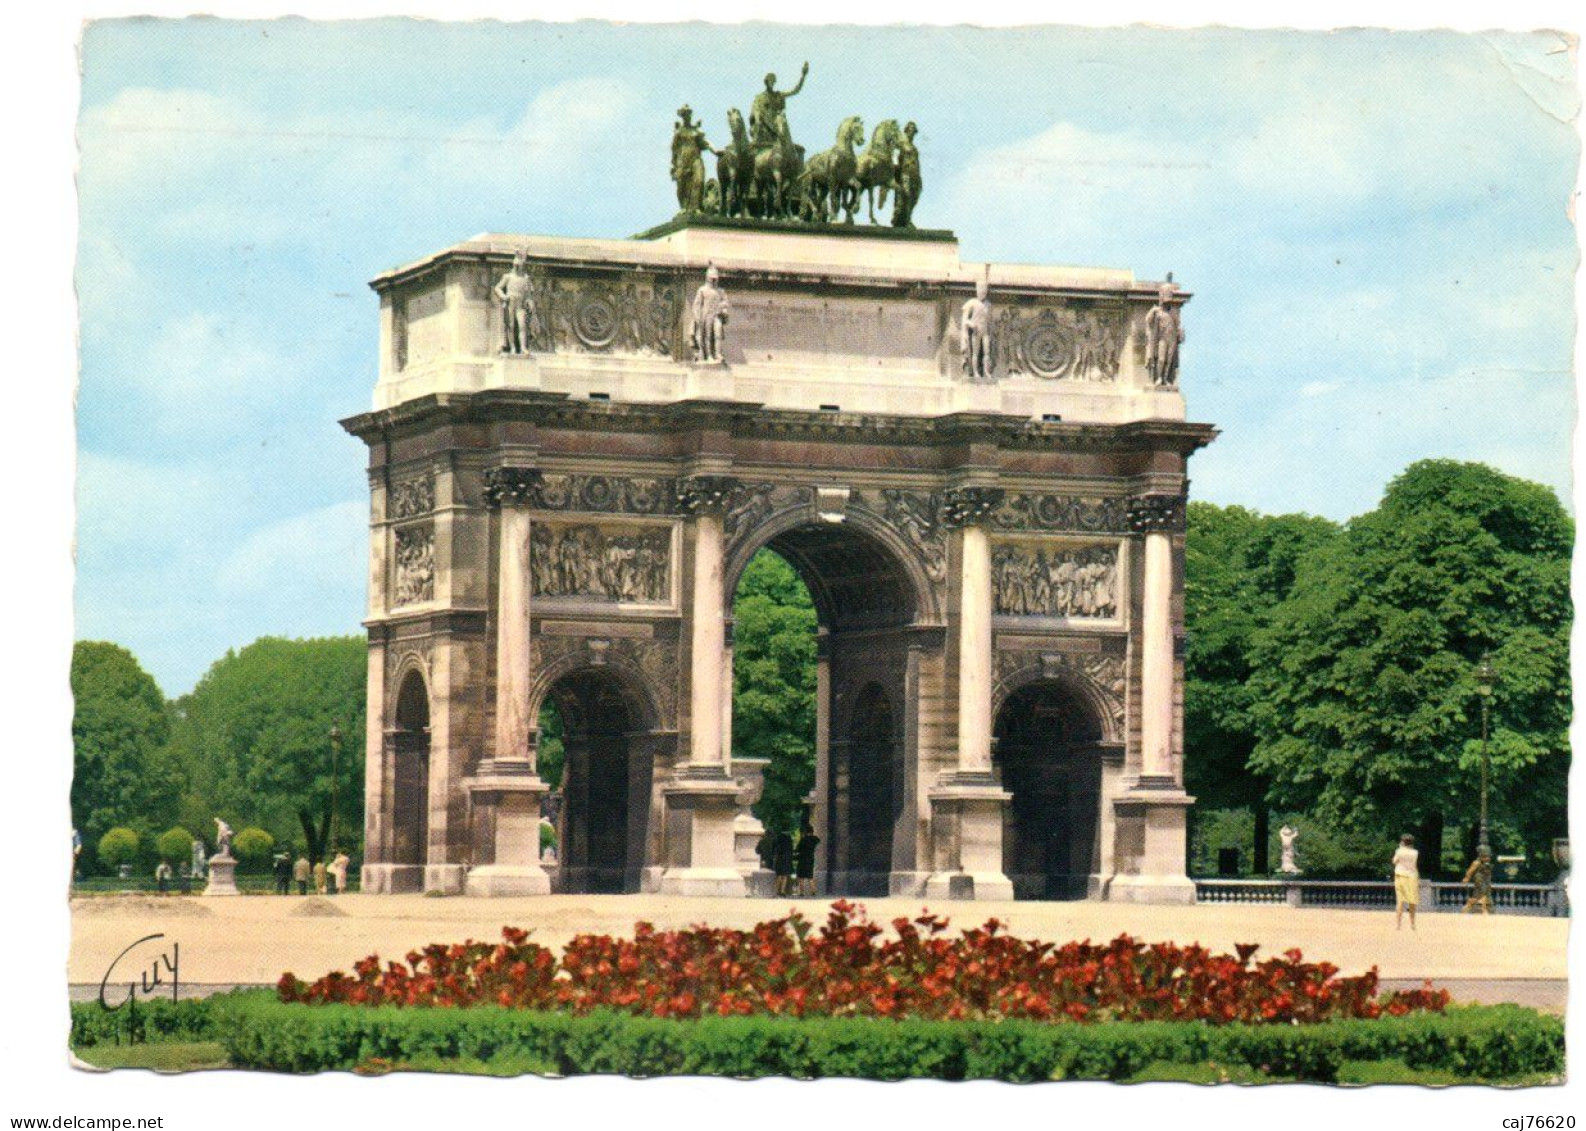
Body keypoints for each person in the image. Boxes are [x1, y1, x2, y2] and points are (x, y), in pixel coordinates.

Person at [1392, 833, 1419, 931]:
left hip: (1400, 876)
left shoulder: (1399, 851)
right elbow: (1414, 864)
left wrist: (1399, 849)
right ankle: (1412, 924)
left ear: (1403, 842)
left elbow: (1394, 861)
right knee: (1412, 901)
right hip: (1412, 876)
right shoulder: (1415, 852)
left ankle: (1398, 925)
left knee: (1400, 901)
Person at [1462, 846, 1494, 914]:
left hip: (1484, 881)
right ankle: (1472, 907)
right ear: (1481, 857)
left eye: (1488, 857)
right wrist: (1466, 878)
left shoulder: (1486, 864)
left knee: (1482, 895)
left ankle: (1481, 909)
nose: (1488, 859)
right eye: (1486, 857)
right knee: (1480, 895)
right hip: (1478, 881)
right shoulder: (1476, 863)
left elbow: (1487, 873)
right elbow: (1470, 871)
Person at [794, 821, 821, 898]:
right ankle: (813, 891)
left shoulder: (803, 840)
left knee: (801, 877)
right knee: (810, 877)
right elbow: (817, 840)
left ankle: (801, 892)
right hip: (810, 859)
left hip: (802, 859)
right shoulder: (814, 839)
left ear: (806, 832)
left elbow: (798, 849)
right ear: (812, 831)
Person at [772, 828, 795, 897]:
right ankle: (782, 891)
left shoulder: (777, 838)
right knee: (785, 876)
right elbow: (791, 850)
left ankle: (776, 891)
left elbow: (774, 849)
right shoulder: (789, 839)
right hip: (787, 859)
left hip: (779, 859)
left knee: (779, 876)